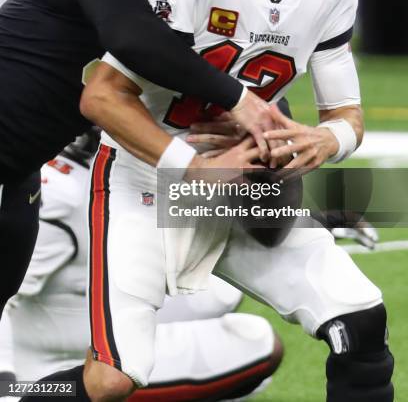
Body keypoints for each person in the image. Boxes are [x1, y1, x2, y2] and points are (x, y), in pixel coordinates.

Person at [79, 0, 394, 402]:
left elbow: (345, 113)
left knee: (361, 322)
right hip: (145, 178)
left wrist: (326, 141)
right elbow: (101, 97)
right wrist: (189, 167)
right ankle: (22, 393)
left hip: (241, 182)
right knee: (113, 381)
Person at [0, 0, 290, 319]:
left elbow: (200, 60)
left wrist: (272, 122)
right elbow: (132, 38)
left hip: (21, 165)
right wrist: (240, 101)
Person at [0, 131, 282, 401]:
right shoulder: (59, 193)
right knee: (258, 342)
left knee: (221, 293)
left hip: (86, 309)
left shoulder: (109, 164)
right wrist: (6, 384)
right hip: (57, 364)